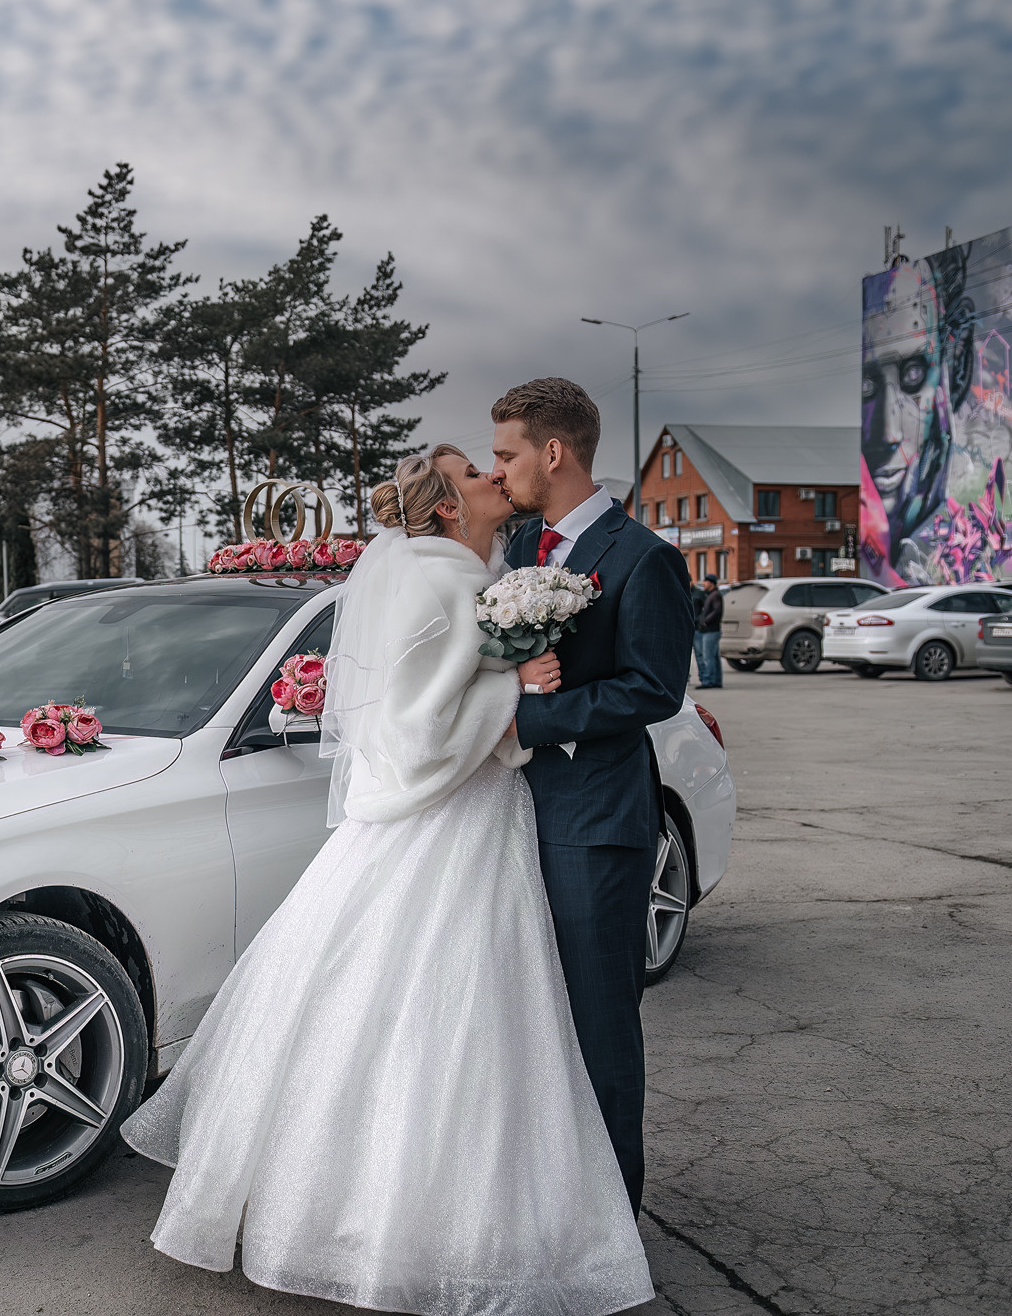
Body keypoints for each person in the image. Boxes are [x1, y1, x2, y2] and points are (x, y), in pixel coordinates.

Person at [123, 444, 655, 1316]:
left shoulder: (464, 565)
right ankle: (426, 1231)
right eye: (475, 473)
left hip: (463, 819)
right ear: (447, 506)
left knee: (427, 1017)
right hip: (450, 819)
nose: (495, 475)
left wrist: (508, 676)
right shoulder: (439, 579)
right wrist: (516, 689)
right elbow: (415, 733)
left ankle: (355, 1212)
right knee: (453, 1019)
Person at [488, 378, 694, 1215]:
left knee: (600, 1020)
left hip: (595, 822)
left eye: (507, 454)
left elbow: (655, 689)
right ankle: (547, 1199)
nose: (499, 470)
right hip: (508, 816)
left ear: (553, 451)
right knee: (531, 1022)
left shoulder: (643, 557)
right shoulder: (521, 546)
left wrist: (532, 717)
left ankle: (612, 1218)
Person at [694, 574, 723, 688]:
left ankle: (708, 681)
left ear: (711, 583)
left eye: (705, 582)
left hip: (711, 630)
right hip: (711, 630)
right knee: (714, 656)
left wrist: (705, 620)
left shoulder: (715, 595)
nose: (703, 584)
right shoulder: (711, 595)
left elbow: (717, 610)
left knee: (708, 656)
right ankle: (716, 680)